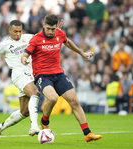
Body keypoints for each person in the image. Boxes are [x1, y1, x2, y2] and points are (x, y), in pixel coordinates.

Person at [21, 14, 102, 142]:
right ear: (44, 25)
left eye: (53, 29)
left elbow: (68, 43)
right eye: (48, 28)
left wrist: (82, 53)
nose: (50, 32)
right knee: (52, 98)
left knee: (74, 101)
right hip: (42, 75)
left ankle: (88, 133)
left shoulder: (59, 34)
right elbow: (25, 55)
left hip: (58, 73)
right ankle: (44, 121)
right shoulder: (36, 39)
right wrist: (25, 59)